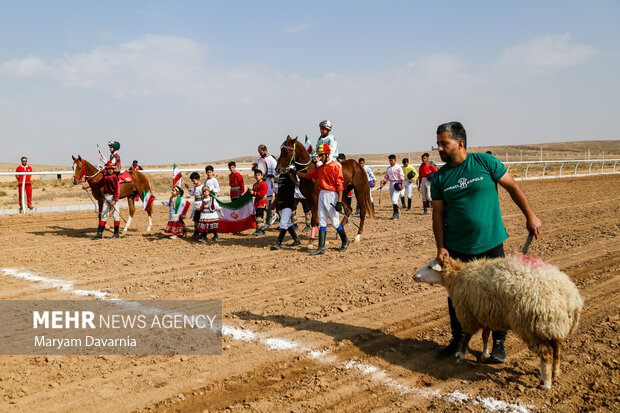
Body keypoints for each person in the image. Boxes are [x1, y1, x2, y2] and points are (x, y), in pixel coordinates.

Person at [431, 121, 542, 363]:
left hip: (490, 243)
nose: (438, 148)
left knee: (498, 294)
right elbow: (437, 214)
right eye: (438, 143)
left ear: (460, 143)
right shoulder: (439, 178)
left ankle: (499, 345)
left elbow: (513, 187)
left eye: (443, 143)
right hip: (457, 247)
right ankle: (458, 340)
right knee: (457, 296)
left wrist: (530, 216)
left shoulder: (484, 162)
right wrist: (441, 246)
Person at [297, 144, 349, 255]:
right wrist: (297, 173)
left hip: (331, 195)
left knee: (335, 223)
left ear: (326, 154)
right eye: (319, 156)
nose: (320, 158)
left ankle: (345, 241)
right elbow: (309, 176)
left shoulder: (335, 167)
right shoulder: (320, 168)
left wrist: (339, 202)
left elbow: (340, 186)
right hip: (321, 195)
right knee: (322, 221)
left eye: (321, 156)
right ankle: (321, 248)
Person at [271, 169, 301, 250]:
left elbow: (296, 182)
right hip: (280, 202)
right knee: (287, 222)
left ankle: (278, 243)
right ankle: (296, 240)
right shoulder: (280, 176)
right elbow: (278, 191)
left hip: (288, 202)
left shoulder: (291, 175)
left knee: (283, 223)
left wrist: (290, 173)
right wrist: (274, 202)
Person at [92, 162, 121, 239]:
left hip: (113, 198)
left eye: (111, 169)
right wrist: (89, 186)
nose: (110, 170)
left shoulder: (115, 177)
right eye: (108, 169)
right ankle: (99, 234)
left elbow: (117, 190)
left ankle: (116, 234)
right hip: (106, 197)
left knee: (116, 216)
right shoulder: (104, 177)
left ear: (113, 169)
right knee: (103, 215)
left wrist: (114, 200)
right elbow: (98, 184)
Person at [252, 145, 278, 228]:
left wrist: (267, 175)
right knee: (262, 203)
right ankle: (273, 215)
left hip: (268, 183)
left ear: (265, 150)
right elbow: (255, 169)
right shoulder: (260, 159)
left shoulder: (272, 160)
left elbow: (276, 173)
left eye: (261, 152)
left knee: (268, 203)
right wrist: (254, 167)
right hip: (260, 183)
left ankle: (267, 222)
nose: (260, 154)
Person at [379, 155, 405, 220]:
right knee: (393, 199)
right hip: (391, 184)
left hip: (397, 184)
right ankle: (395, 214)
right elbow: (386, 178)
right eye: (389, 160)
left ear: (395, 160)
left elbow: (402, 177)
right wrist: (382, 186)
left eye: (391, 160)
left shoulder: (398, 167)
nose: (390, 162)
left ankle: (396, 214)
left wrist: (402, 185)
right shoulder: (388, 168)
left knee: (394, 199)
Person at [184, 172, 204, 238]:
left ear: (198, 179)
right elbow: (192, 194)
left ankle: (201, 233)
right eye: (192, 181)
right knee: (196, 219)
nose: (193, 182)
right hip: (195, 204)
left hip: (200, 204)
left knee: (201, 219)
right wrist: (188, 188)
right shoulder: (194, 187)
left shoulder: (202, 187)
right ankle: (196, 233)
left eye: (194, 180)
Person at [251, 169, 269, 236]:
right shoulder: (255, 184)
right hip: (257, 203)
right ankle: (259, 229)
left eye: (259, 175)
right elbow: (253, 193)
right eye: (256, 175)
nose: (257, 176)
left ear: (262, 176)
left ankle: (262, 230)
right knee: (258, 216)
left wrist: (254, 193)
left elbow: (262, 194)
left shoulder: (264, 184)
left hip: (262, 202)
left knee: (259, 216)